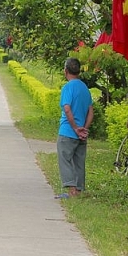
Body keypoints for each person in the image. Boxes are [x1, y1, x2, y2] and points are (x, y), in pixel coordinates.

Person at [56, 57, 94, 199]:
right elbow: (91, 112)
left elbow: (67, 109)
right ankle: (78, 191)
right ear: (79, 71)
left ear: (65, 71)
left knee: (64, 159)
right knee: (79, 161)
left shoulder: (68, 87)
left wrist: (75, 128)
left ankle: (71, 190)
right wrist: (84, 128)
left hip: (67, 131)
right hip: (81, 135)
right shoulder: (84, 88)